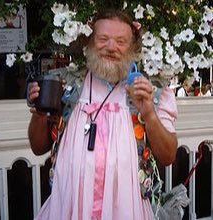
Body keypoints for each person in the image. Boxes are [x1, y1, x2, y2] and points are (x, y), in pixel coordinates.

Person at [28, 9, 178, 220]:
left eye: (120, 41)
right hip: (68, 210)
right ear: (89, 44)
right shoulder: (65, 86)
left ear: (132, 49)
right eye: (103, 39)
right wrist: (39, 113)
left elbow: (168, 155)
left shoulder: (149, 90)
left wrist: (149, 114)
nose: (111, 47)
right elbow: (38, 147)